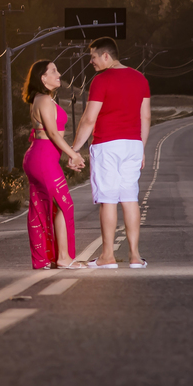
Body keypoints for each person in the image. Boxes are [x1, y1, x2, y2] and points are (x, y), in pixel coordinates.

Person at [72, 37, 151, 269]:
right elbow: (145, 117)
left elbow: (88, 119)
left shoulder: (101, 80)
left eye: (94, 57)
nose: (91, 62)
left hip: (107, 144)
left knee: (108, 200)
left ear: (106, 56)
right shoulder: (141, 79)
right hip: (133, 145)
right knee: (130, 198)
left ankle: (107, 256)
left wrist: (74, 149)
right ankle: (135, 256)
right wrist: (142, 147)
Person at [22, 59, 86, 269]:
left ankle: (51, 258)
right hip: (42, 157)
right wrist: (73, 155)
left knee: (49, 207)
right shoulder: (44, 100)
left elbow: (53, 135)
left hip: (43, 157)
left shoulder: (44, 99)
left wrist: (68, 155)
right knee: (63, 204)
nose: (59, 74)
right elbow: (51, 132)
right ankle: (63, 258)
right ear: (43, 78)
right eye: (54, 71)